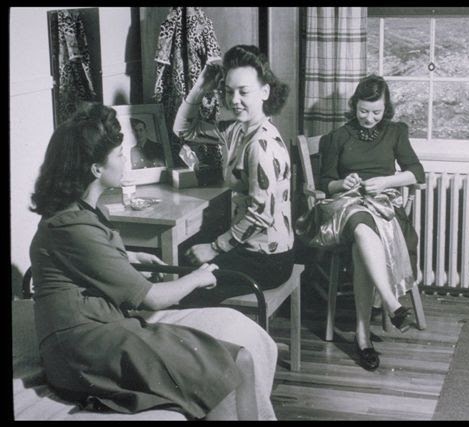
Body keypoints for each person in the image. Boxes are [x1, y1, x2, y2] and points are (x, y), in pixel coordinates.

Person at [28, 103, 278, 420]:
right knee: (219, 378)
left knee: (241, 359)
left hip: (107, 328)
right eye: (119, 154)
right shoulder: (70, 224)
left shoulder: (82, 209)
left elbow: (85, 259)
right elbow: (153, 298)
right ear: (95, 169)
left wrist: (129, 257)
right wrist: (199, 276)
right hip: (84, 347)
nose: (125, 159)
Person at [316, 74, 426, 371]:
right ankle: (392, 304)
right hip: (347, 207)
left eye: (376, 112)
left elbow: (417, 172)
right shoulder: (338, 137)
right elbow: (324, 182)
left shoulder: (395, 132)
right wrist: (343, 183)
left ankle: (363, 336)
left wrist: (387, 182)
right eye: (363, 111)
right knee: (360, 223)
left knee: (362, 242)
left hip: (383, 205)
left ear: (386, 108)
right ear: (354, 106)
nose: (369, 118)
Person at [173, 45, 294, 304]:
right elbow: (184, 130)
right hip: (247, 248)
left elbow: (262, 215)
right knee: (181, 265)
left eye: (243, 92)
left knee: (188, 289)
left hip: (267, 260)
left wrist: (214, 248)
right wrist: (202, 85)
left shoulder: (262, 145)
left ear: (264, 92)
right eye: (229, 92)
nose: (234, 100)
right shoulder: (237, 130)